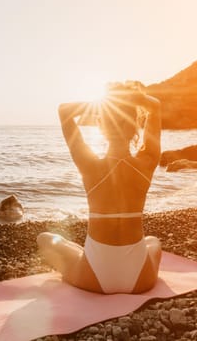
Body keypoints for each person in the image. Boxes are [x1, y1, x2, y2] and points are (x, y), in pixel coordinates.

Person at [37, 82, 162, 294]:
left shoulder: (90, 165)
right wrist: (131, 98)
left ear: (101, 126)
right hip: (141, 279)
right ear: (135, 126)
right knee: (153, 241)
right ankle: (83, 253)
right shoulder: (147, 162)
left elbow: (64, 110)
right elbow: (155, 106)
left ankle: (81, 253)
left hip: (94, 277)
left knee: (45, 239)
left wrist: (103, 103)